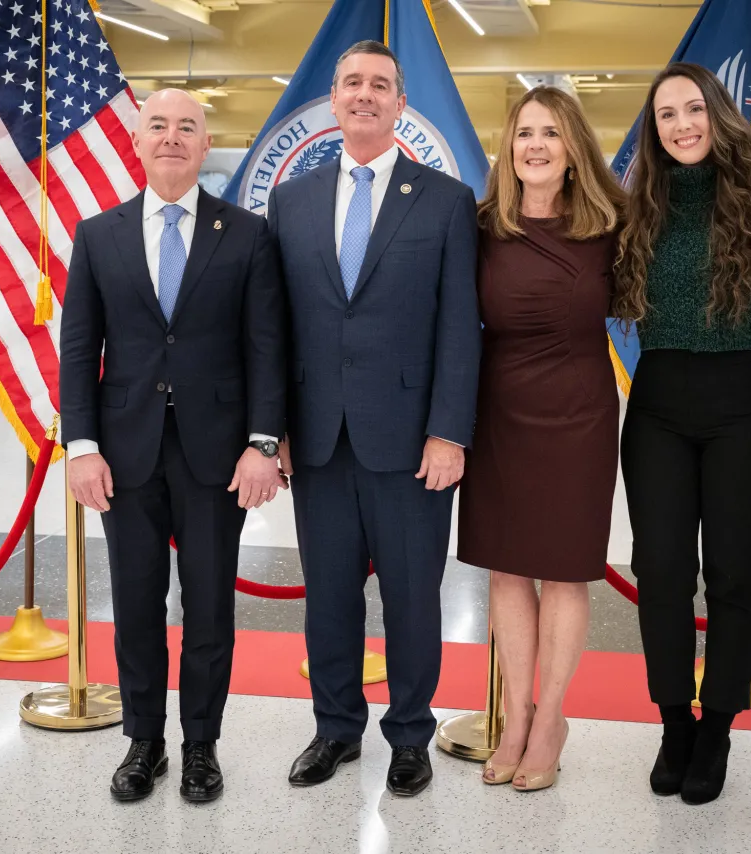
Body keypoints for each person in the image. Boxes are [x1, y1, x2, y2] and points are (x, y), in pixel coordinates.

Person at [59, 89, 287, 804]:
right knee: (135, 605)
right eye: (158, 125)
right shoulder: (98, 235)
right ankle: (143, 742)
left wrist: (262, 443)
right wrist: (81, 445)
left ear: (204, 141)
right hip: (123, 454)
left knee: (210, 608)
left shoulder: (246, 234)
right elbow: (77, 351)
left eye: (187, 127)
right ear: (137, 140)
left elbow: (267, 348)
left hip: (218, 455)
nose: (172, 138)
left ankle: (200, 747)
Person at [266, 40, 481, 798]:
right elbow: (275, 326)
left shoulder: (447, 201)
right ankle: (333, 729)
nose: (365, 94)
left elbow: (461, 326)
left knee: (413, 599)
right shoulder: (289, 201)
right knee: (327, 596)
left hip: (413, 444)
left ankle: (411, 735)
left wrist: (451, 431)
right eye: (352, 82)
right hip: (317, 438)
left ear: (399, 104)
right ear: (333, 97)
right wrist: (274, 429)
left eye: (380, 85)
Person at [613, 62, 751, 806]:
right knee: (661, 573)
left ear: (718, 111)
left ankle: (717, 728)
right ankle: (673, 723)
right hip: (657, 402)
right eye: (666, 116)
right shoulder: (637, 207)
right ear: (653, 131)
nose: (682, 125)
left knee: (737, 576)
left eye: (693, 109)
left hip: (747, 398)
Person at [456, 86, 623, 792]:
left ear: (574, 148)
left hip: (579, 414)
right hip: (498, 412)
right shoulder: (481, 225)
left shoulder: (612, 226)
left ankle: (550, 717)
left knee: (562, 569)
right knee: (505, 568)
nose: (535, 145)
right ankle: (514, 717)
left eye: (550, 133)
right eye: (524, 132)